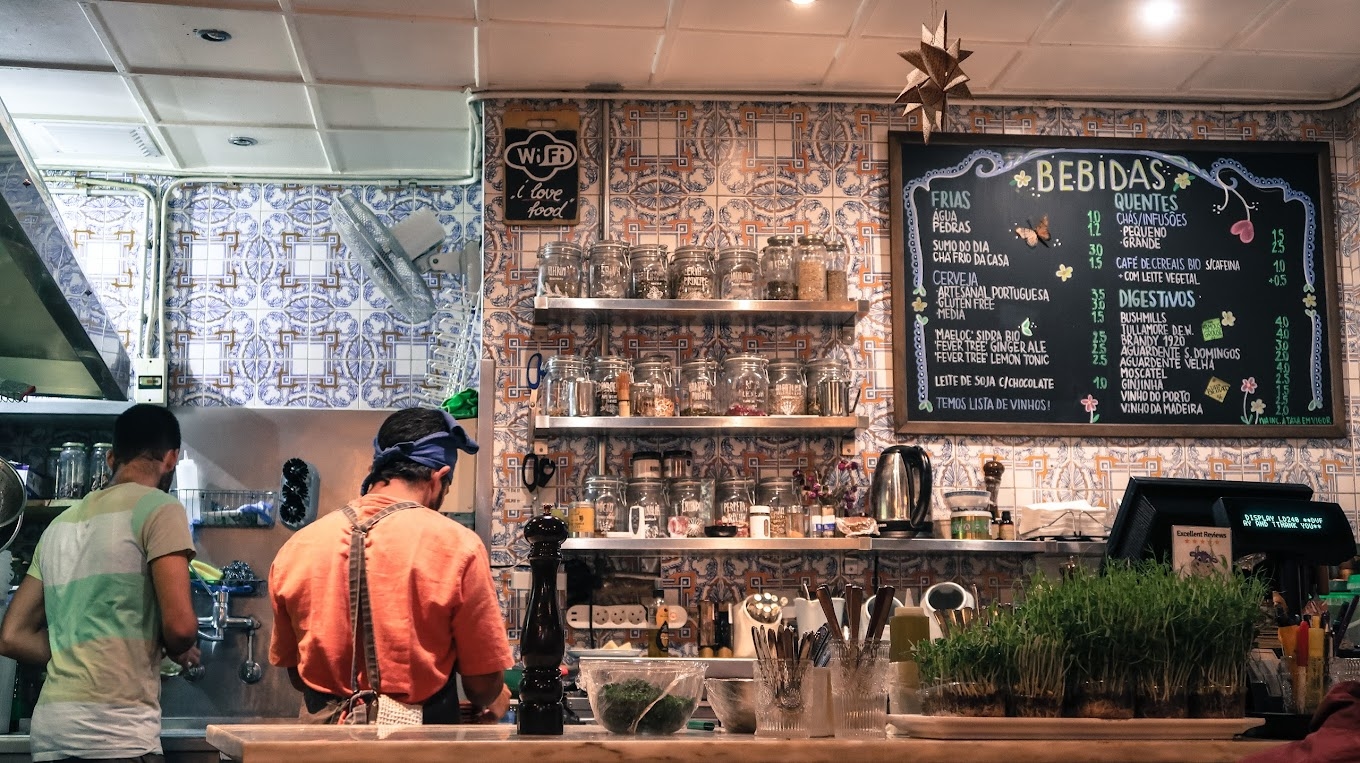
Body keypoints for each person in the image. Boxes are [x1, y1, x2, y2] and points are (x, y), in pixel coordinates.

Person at [268, 407, 512, 724]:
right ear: (438, 479)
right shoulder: (458, 546)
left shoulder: (296, 548)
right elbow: (480, 685)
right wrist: (498, 693)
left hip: (323, 747)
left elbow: (298, 676)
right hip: (416, 748)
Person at [0, 404, 198, 762]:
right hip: (116, 735)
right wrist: (176, 646)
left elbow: (12, 636)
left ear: (110, 459)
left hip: (51, 735)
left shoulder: (59, 525)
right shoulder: (160, 508)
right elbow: (181, 628)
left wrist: (75, 652)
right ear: (171, 459)